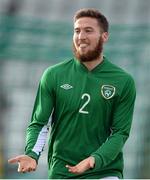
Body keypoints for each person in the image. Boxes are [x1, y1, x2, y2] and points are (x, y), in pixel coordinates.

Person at [8, 8, 136, 179]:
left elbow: (120, 132)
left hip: (104, 172)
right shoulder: (54, 75)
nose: (81, 36)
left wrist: (94, 160)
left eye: (88, 30)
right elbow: (40, 122)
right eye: (77, 31)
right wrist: (32, 154)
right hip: (62, 172)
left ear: (104, 36)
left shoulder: (123, 81)